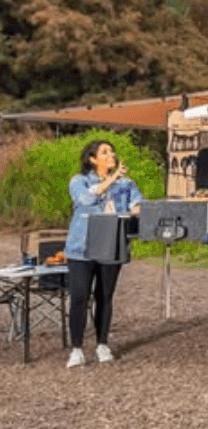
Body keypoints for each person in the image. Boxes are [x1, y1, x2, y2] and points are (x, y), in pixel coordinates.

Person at [65, 139, 144, 368]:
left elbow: (137, 204)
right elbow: (86, 199)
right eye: (105, 152)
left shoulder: (127, 184)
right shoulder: (78, 181)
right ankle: (77, 349)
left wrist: (136, 211)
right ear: (92, 159)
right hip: (81, 247)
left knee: (104, 296)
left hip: (111, 244)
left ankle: (102, 344)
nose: (111, 154)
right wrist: (112, 178)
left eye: (112, 151)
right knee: (79, 297)